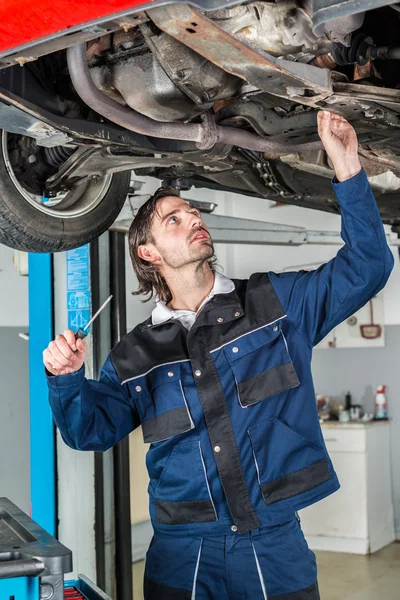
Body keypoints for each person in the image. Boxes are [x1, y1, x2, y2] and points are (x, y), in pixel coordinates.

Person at [44, 111, 394, 599]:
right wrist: (65, 377)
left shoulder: (275, 303)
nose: (194, 220)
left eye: (194, 213)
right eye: (175, 219)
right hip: (181, 555)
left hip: (275, 546)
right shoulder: (136, 354)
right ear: (148, 253)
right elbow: (88, 432)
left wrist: (347, 166)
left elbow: (369, 266)